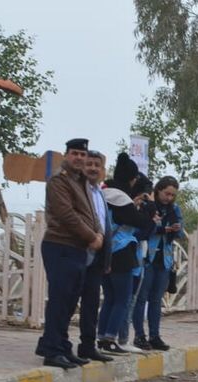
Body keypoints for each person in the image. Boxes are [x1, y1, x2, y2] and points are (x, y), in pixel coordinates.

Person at [35, 138, 103, 368]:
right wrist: (92, 237)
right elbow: (67, 215)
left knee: (70, 300)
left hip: (78, 249)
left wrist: (99, 233)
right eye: (75, 153)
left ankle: (63, 347)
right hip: (60, 245)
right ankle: (52, 351)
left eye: (82, 155)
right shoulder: (59, 181)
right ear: (66, 155)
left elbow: (92, 213)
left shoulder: (83, 182)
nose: (79, 158)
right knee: (60, 299)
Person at [97, 155, 156, 355]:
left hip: (105, 251)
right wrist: (149, 207)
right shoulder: (121, 199)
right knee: (122, 299)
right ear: (131, 179)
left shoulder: (103, 194)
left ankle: (102, 337)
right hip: (122, 252)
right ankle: (111, 338)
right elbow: (142, 223)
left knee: (109, 298)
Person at [132, 175, 184, 351]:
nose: (169, 198)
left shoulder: (174, 209)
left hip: (165, 259)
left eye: (172, 195)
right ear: (158, 190)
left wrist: (175, 228)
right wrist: (161, 228)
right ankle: (139, 335)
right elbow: (142, 229)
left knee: (156, 300)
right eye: (166, 194)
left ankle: (155, 335)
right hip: (147, 258)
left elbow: (180, 232)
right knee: (141, 298)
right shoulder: (148, 206)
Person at [78, 150, 114, 363]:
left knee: (91, 304)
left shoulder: (100, 193)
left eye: (96, 165)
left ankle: (88, 345)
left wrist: (107, 259)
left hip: (97, 257)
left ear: (102, 170)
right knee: (68, 302)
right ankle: (57, 346)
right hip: (79, 253)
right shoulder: (79, 191)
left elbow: (106, 227)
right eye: (89, 164)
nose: (92, 168)